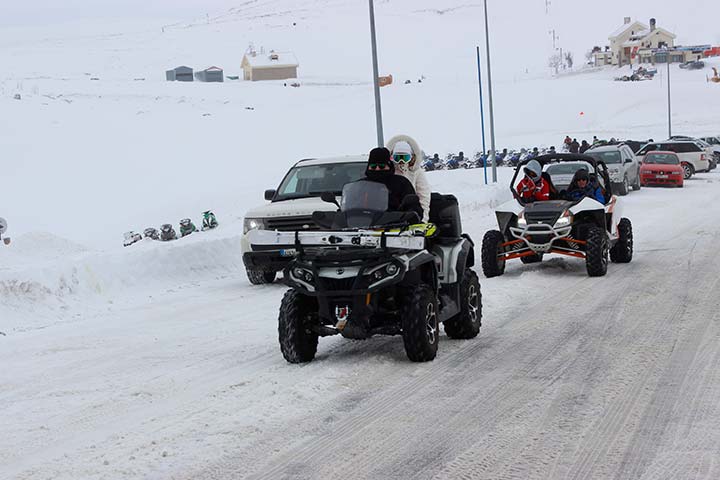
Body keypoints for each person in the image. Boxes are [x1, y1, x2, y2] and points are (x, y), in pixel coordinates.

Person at [364, 147, 423, 219]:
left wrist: (411, 214)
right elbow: (351, 207)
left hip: (395, 226)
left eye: (381, 166)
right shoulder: (361, 186)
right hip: (362, 225)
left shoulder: (401, 183)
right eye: (373, 166)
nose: (377, 169)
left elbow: (414, 206)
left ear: (389, 166)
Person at [386, 135, 432, 222]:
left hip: (411, 215)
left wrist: (423, 219)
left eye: (405, 157)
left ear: (411, 157)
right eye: (398, 157)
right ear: (392, 157)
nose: (401, 161)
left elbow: (423, 196)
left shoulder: (417, 172)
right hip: (390, 217)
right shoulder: (388, 171)